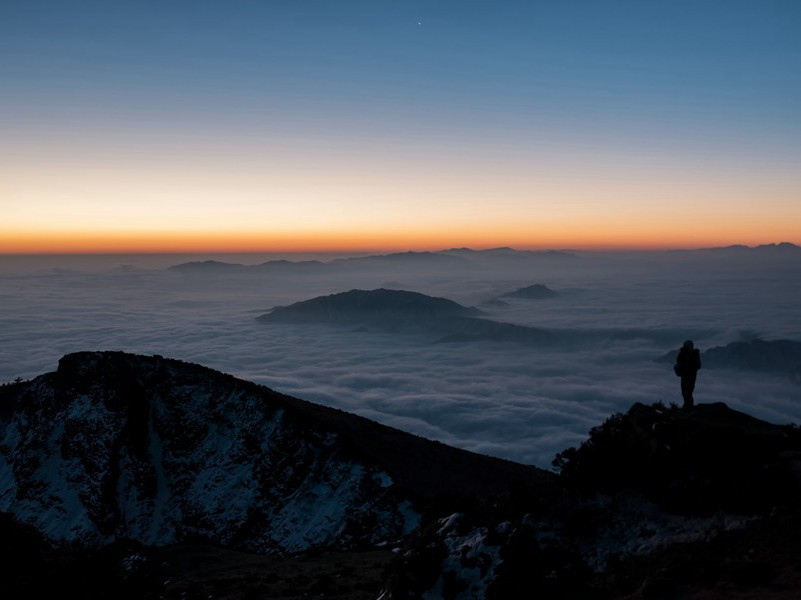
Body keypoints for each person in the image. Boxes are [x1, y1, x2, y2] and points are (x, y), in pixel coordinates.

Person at [675, 340, 701, 410]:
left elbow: (698, 365)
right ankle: (688, 406)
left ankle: (688, 407)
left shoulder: (694, 354)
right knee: (686, 392)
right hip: (688, 375)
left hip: (689, 376)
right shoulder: (690, 353)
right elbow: (679, 360)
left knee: (687, 392)